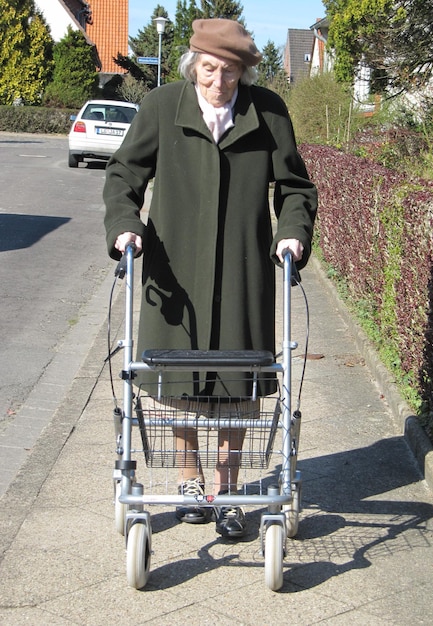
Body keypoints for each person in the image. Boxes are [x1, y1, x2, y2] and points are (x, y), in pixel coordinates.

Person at [104, 18, 317, 538]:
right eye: (208, 69)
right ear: (192, 64)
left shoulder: (267, 111)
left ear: (244, 73)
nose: (217, 82)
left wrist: (292, 233)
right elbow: (124, 175)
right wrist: (126, 226)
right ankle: (187, 479)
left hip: (244, 272)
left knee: (238, 384)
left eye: (229, 72)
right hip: (173, 272)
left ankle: (227, 487)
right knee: (176, 380)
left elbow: (295, 187)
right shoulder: (161, 107)